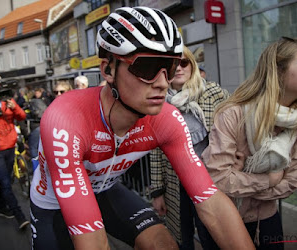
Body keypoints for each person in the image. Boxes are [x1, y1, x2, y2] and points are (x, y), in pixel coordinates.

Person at [29, 6, 254, 250]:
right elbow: (93, 243)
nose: (162, 83)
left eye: (169, 68)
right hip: (53, 204)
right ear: (108, 70)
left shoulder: (166, 118)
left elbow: (211, 202)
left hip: (106, 190)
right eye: (147, 68)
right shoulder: (65, 120)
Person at [202, 37, 297, 250]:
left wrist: (242, 178)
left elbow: (291, 183)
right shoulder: (233, 114)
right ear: (278, 71)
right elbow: (218, 179)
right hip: (224, 219)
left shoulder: (295, 124)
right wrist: (269, 180)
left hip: (267, 220)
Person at [150, 46, 229, 249]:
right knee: (182, 238)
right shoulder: (158, 102)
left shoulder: (213, 92)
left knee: (211, 235)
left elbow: (233, 130)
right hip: (176, 183)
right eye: (172, 63)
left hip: (209, 180)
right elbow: (156, 150)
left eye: (183, 62)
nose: (178, 68)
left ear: (192, 65)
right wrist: (157, 192)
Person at [0, 85, 29, 229]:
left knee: (7, 180)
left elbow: (22, 116)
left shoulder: (7, 102)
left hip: (10, 147)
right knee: (5, 183)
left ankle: (1, 207)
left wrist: (14, 107)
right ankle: (19, 216)